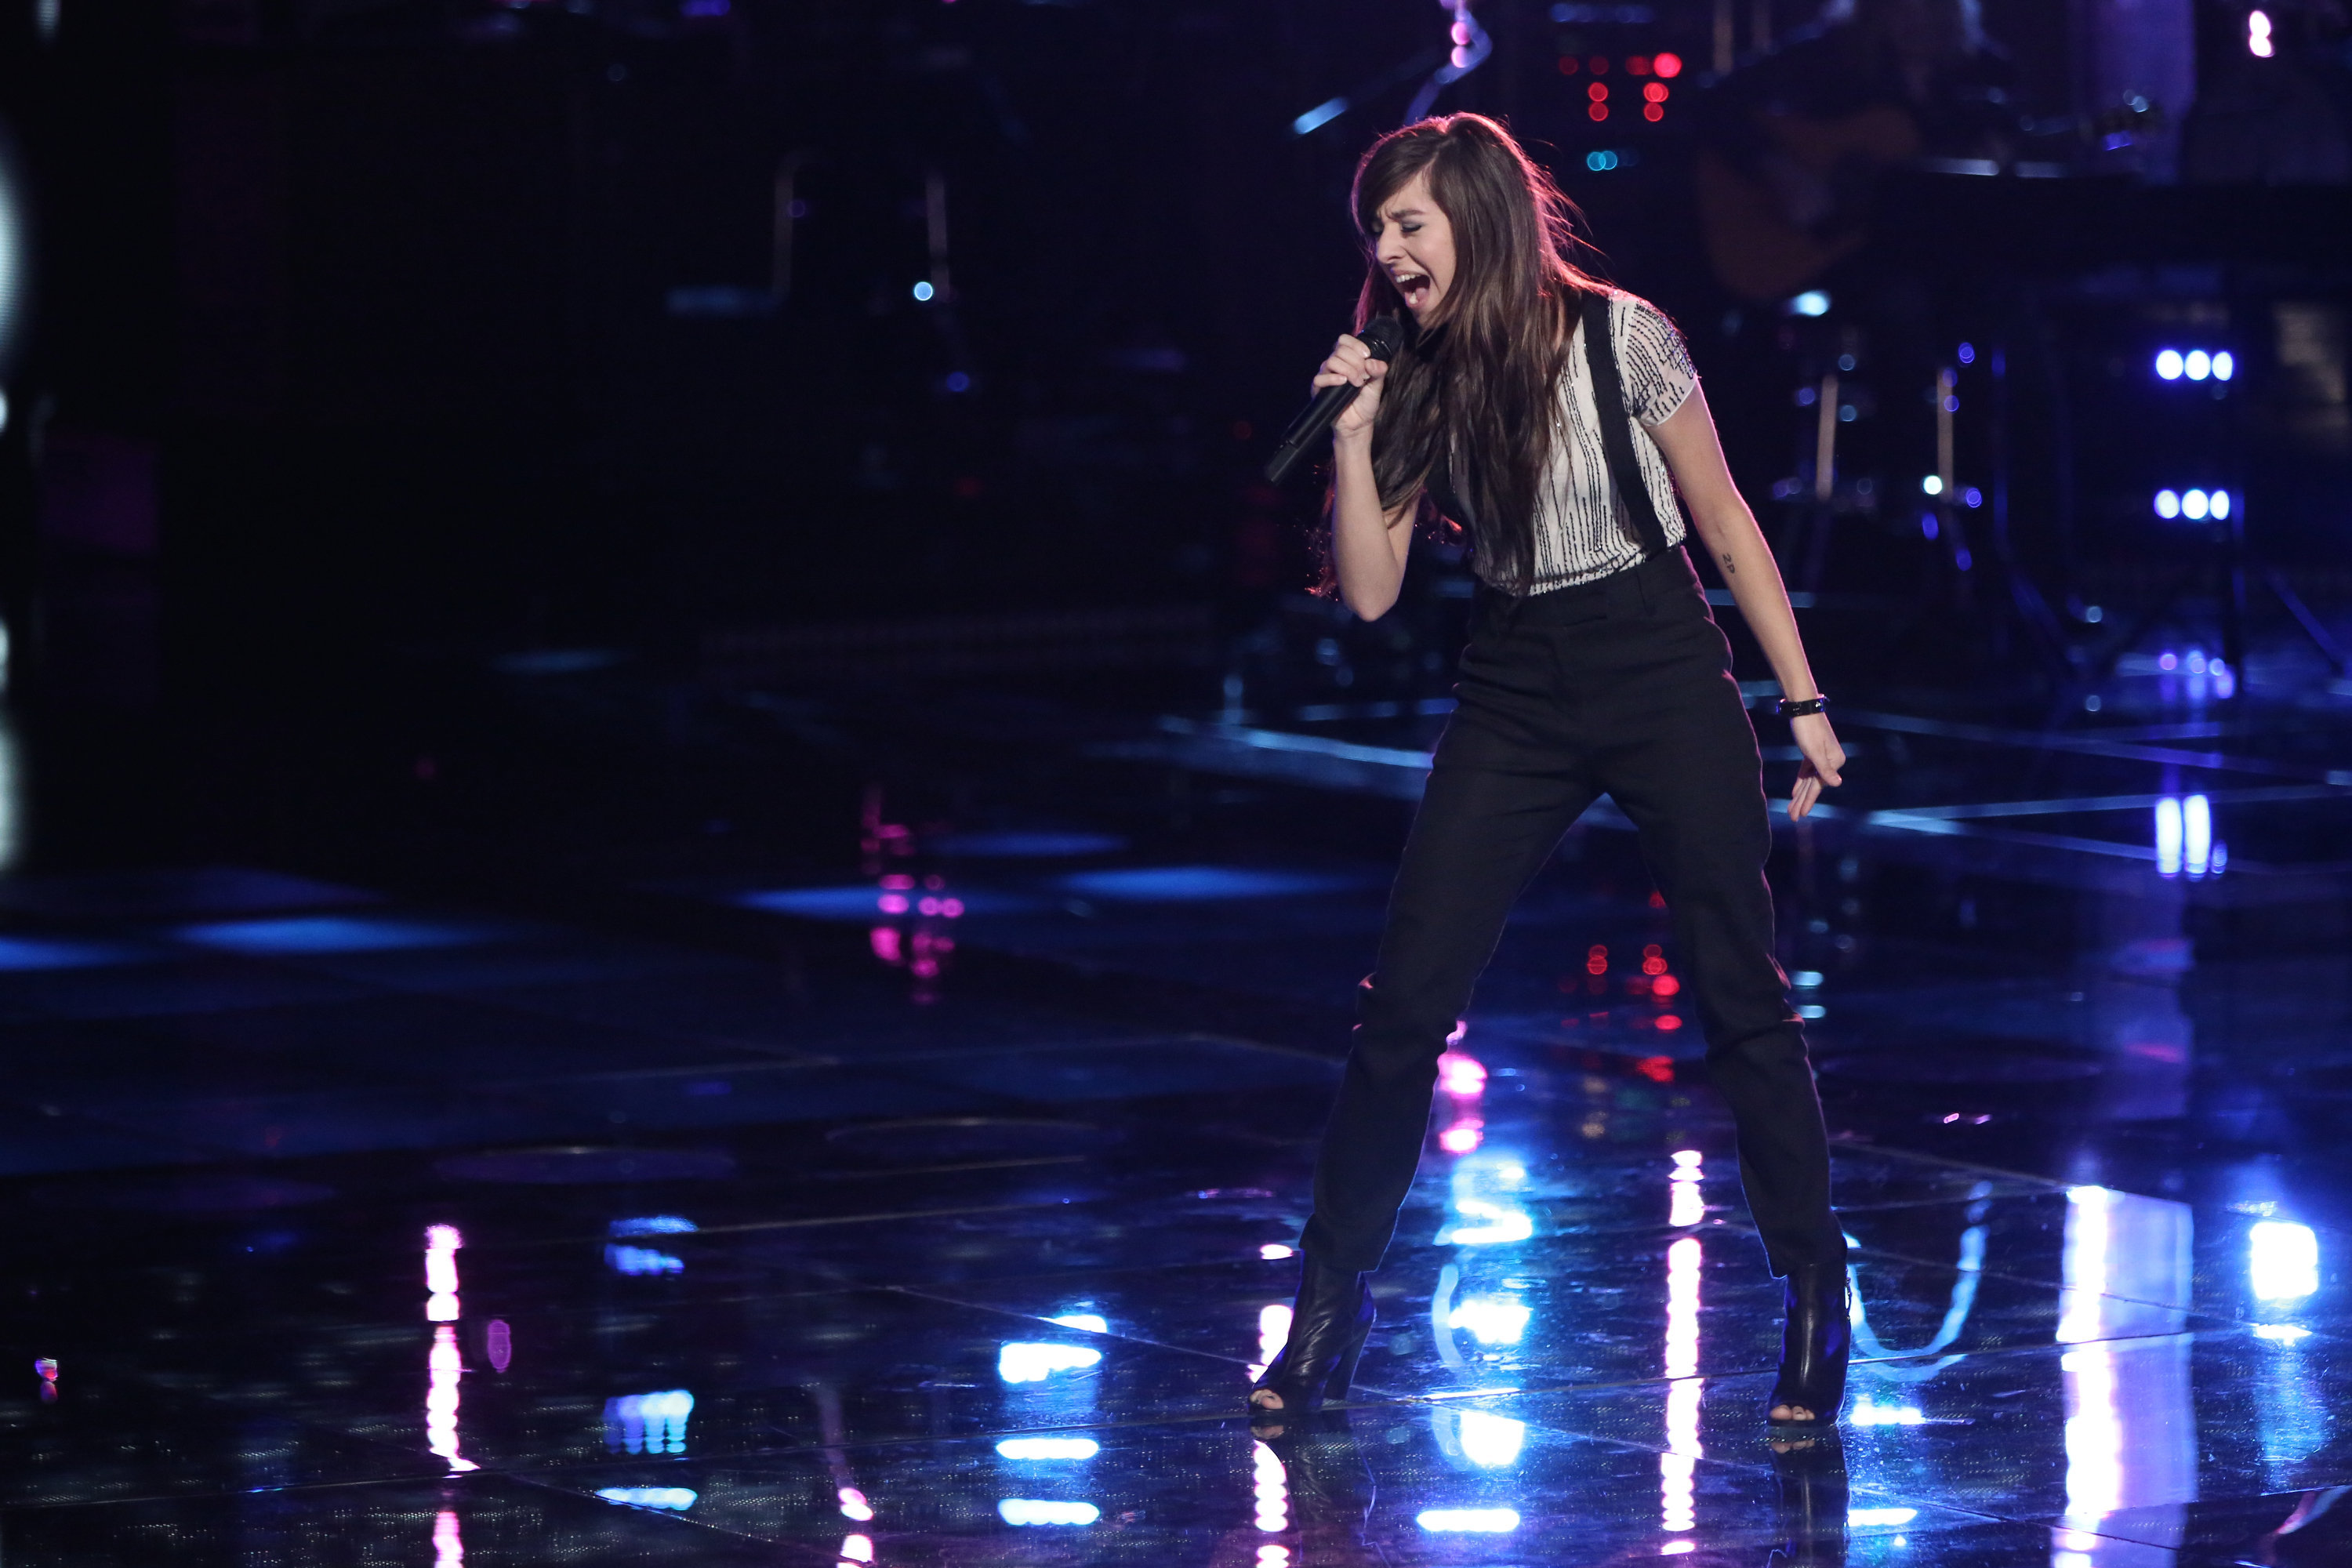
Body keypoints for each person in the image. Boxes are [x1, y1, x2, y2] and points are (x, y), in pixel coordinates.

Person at [1250, 114, 1852, 1427]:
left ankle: (1815, 1291)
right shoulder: (1411, 371)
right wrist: (1353, 434)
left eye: (1410, 223)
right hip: (1516, 683)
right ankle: (1329, 1309)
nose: (1389, 251)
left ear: (1477, 216)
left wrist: (1801, 699)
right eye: (1376, 231)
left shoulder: (1623, 336)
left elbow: (1724, 519)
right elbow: (1370, 592)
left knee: (1740, 995)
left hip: (1656, 661)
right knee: (1403, 1008)